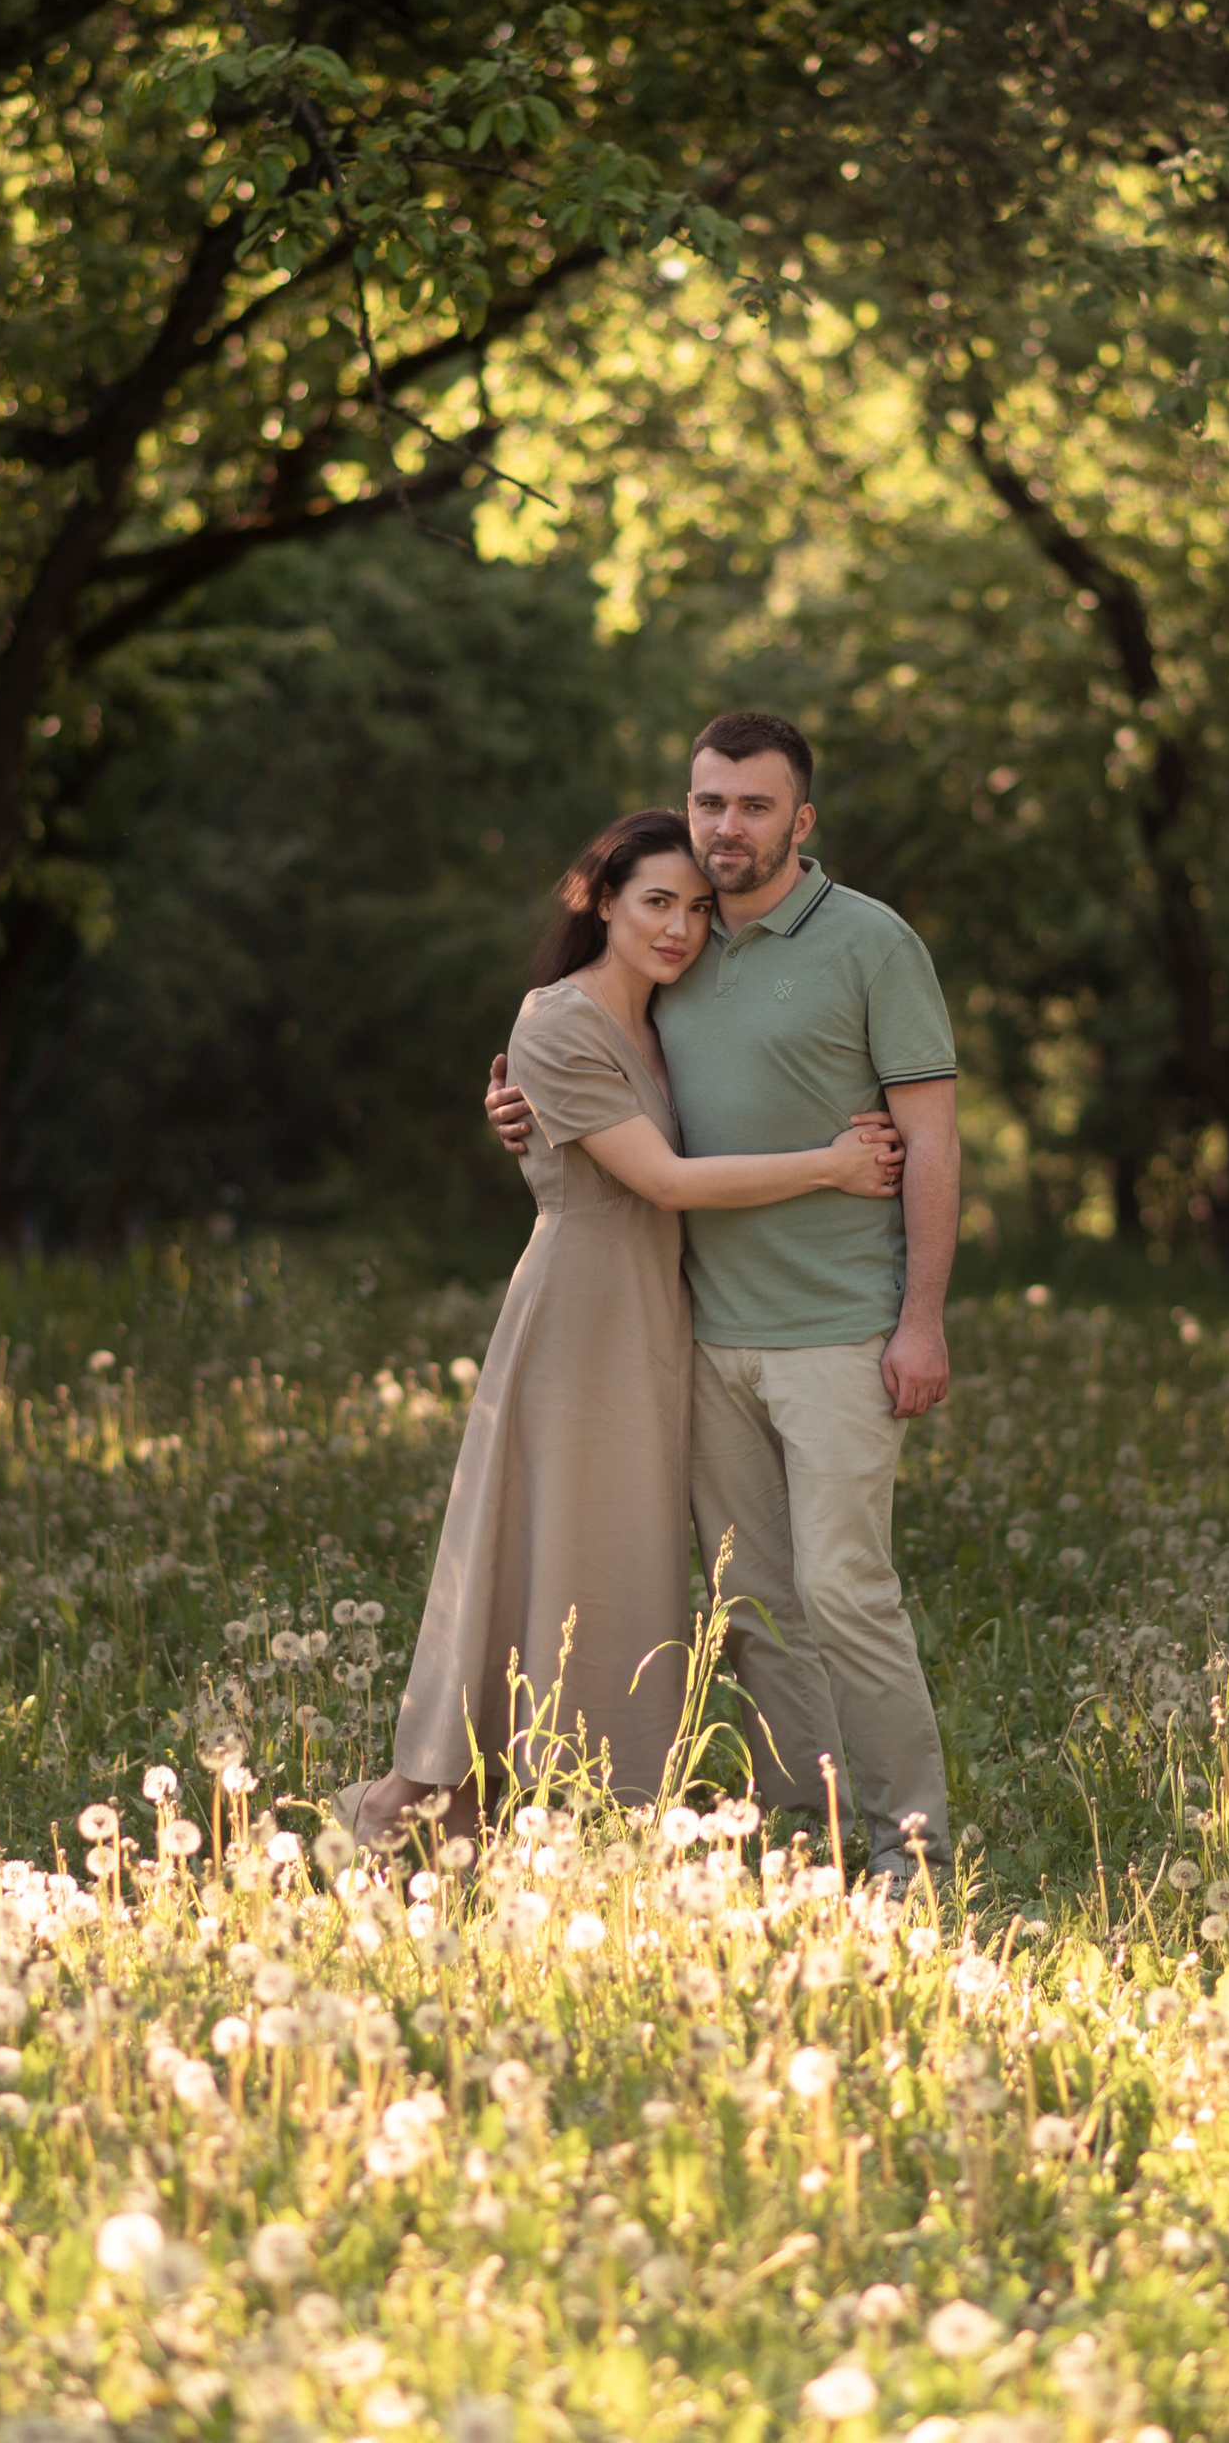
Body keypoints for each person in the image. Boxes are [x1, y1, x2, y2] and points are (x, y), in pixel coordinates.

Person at [342, 808, 904, 1846]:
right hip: (581, 1314)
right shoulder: (559, 1019)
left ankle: (599, 1795)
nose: (680, 927)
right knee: (555, 1545)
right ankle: (456, 1798)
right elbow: (664, 1178)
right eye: (655, 902)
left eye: (697, 908)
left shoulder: (673, 1015)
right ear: (601, 900)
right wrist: (830, 1164)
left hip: (660, 1311)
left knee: (622, 1556)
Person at [487, 712, 962, 1892]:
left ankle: (912, 1847)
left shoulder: (871, 942)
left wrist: (922, 1317)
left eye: (754, 806)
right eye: (709, 803)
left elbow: (933, 1139)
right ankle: (805, 1820)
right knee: (750, 1606)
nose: (725, 828)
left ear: (801, 820)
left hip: (841, 1329)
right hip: (701, 1331)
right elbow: (603, 1075)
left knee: (845, 1587)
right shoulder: (678, 946)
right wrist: (518, 1120)